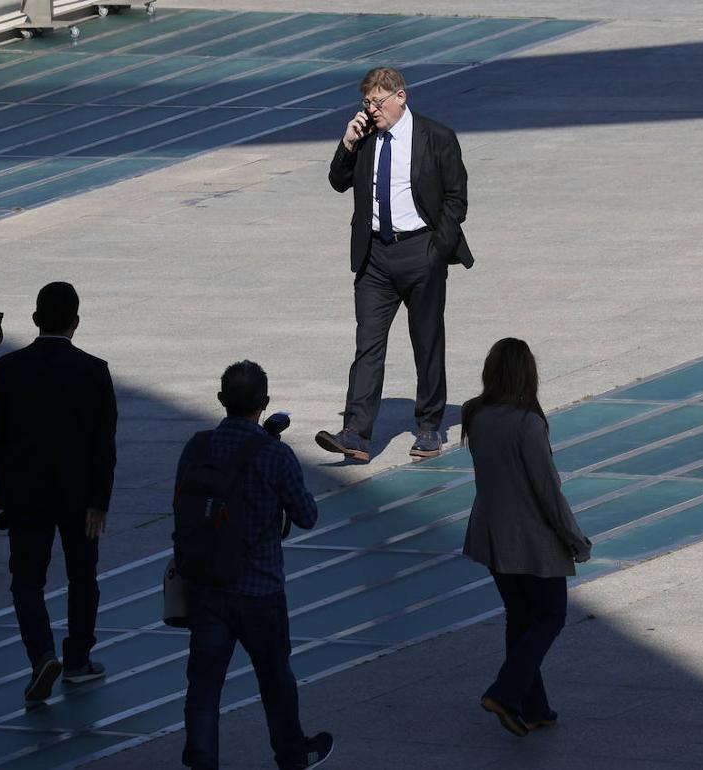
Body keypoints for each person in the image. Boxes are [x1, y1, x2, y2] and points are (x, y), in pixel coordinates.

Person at [179, 361, 333, 770]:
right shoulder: (275, 455)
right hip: (260, 588)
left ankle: (201, 760)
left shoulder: (196, 447)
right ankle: (292, 755)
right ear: (264, 404)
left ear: (220, 400)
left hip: (207, 584)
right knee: (275, 678)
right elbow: (307, 515)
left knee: (205, 685)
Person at [315, 66, 473, 463]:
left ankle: (429, 426)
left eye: (377, 102)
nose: (372, 110)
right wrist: (347, 143)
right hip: (375, 256)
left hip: (421, 250)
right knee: (367, 343)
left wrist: (439, 247)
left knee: (426, 341)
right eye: (366, 103)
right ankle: (356, 432)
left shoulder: (435, 137)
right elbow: (337, 180)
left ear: (401, 96)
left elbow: (457, 197)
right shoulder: (365, 137)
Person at [0, 282, 117, 703]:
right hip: (79, 496)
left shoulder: (8, 370)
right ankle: (78, 660)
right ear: (75, 323)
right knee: (83, 577)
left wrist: (7, 491)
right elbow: (104, 446)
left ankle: (41, 654)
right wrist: (100, 500)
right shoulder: (95, 371)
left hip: (27, 494)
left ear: (34, 319)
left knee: (27, 580)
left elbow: (0, 439)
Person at [460, 338, 591, 737]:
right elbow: (548, 491)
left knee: (519, 619)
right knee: (550, 617)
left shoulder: (475, 414)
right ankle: (505, 692)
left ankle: (535, 707)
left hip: (491, 535)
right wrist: (575, 538)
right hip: (532, 540)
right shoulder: (527, 423)